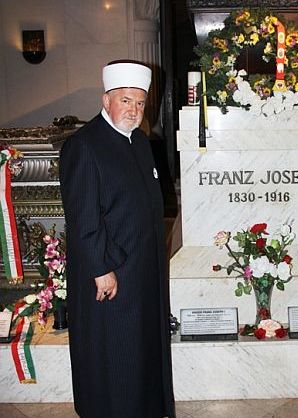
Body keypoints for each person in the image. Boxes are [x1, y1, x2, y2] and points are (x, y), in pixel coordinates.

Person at [59, 60, 176, 418]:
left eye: (140, 103)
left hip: (142, 270)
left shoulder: (139, 141)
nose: (134, 110)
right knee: (115, 355)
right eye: (126, 101)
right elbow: (82, 217)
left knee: (141, 351)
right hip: (111, 274)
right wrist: (101, 269)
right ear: (106, 99)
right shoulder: (84, 145)